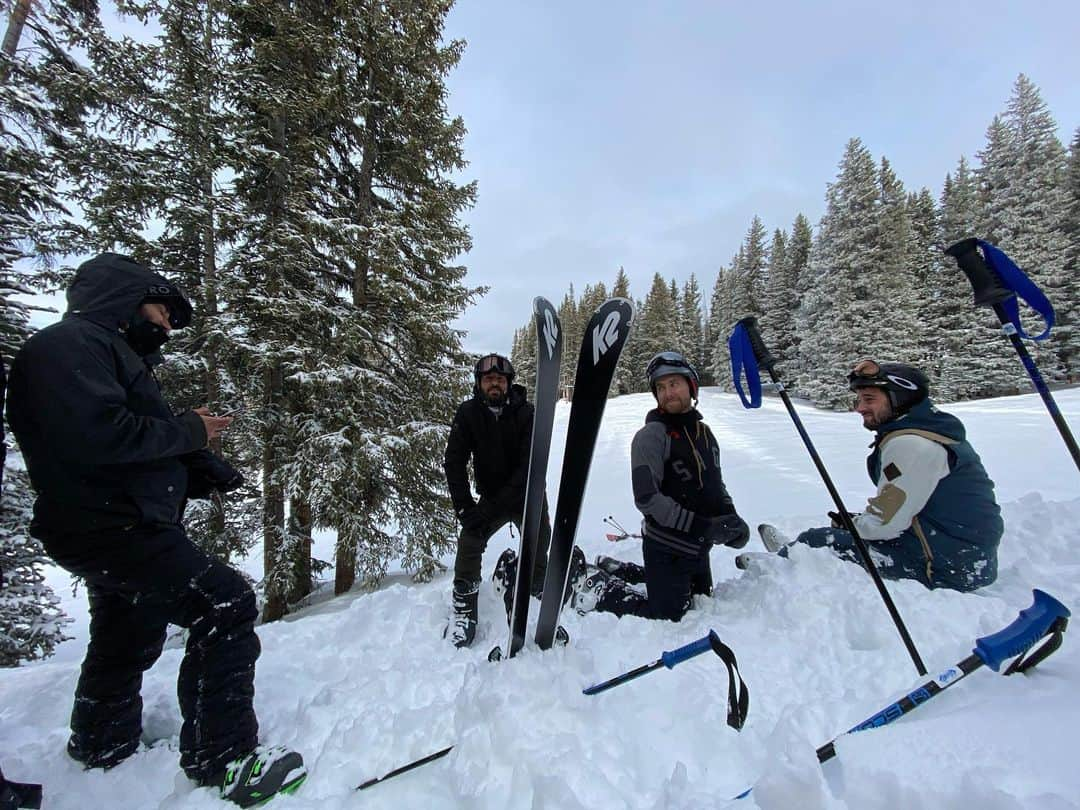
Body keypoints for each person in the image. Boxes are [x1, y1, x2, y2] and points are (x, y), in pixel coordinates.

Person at [5, 253, 305, 807]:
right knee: (225, 603)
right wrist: (189, 432)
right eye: (162, 310)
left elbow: (127, 443)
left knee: (128, 627)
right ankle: (225, 757)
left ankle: (101, 739)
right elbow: (101, 438)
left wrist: (199, 467)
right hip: (113, 526)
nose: (167, 324)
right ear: (123, 297)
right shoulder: (68, 346)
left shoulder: (105, 355)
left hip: (113, 521)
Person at [753, 360, 1003, 592]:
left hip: (947, 567)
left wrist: (854, 527)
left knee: (819, 539)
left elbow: (884, 525)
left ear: (899, 399)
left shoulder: (911, 444)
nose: (860, 408)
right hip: (962, 553)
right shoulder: (929, 430)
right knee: (845, 530)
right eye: (859, 399)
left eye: (869, 399)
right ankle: (795, 553)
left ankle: (782, 565)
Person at [571, 351, 750, 622]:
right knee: (668, 616)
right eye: (661, 388)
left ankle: (623, 570)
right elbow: (647, 498)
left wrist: (732, 518)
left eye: (674, 384)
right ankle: (601, 588)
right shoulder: (650, 437)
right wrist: (704, 527)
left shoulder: (705, 434)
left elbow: (715, 483)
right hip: (666, 547)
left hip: (699, 547)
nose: (668, 393)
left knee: (702, 601)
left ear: (691, 386)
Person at [442, 353, 557, 647]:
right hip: (489, 496)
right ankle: (464, 604)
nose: (495, 384)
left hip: (527, 494)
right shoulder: (468, 413)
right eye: (489, 379)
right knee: (470, 540)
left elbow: (528, 466)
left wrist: (492, 505)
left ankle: (532, 583)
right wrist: (465, 507)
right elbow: (453, 461)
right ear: (479, 383)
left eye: (500, 380)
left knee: (540, 540)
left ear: (508, 383)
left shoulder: (527, 412)